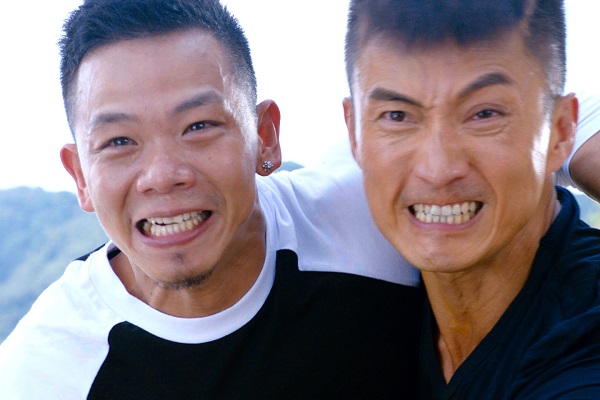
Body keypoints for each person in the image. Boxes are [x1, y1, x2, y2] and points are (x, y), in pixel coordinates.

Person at [0, 0, 422, 398]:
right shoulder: (44, 375)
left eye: (198, 126)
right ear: (80, 176)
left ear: (265, 137)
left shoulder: (377, 222)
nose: (163, 176)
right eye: (119, 141)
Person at [343, 0, 600, 398]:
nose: (438, 169)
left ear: (561, 130)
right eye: (397, 116)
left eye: (484, 114)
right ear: (354, 132)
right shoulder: (345, 295)